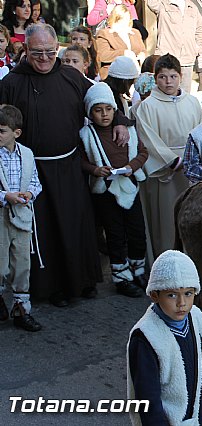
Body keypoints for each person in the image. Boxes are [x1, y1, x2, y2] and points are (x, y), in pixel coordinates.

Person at [0, 23, 132, 306]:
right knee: (43, 231)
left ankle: (81, 281)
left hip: (70, 164)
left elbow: (102, 102)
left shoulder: (72, 76)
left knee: (76, 225)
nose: (45, 58)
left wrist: (120, 122)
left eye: (50, 51)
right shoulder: (11, 83)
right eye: (38, 52)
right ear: (26, 49)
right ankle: (52, 288)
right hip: (32, 171)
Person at [127, 250, 202, 425]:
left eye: (188, 293)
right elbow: (148, 402)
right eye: (172, 295)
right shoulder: (146, 337)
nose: (182, 303)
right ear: (154, 295)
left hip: (200, 419)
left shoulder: (197, 318)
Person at [80, 82, 148, 298]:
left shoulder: (127, 129)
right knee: (115, 235)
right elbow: (80, 160)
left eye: (108, 109)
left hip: (129, 186)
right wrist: (95, 169)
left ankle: (138, 270)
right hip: (106, 192)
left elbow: (143, 153)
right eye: (98, 111)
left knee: (137, 231)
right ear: (90, 112)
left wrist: (132, 167)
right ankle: (121, 277)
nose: (104, 115)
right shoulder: (86, 134)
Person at [135, 54, 202, 258]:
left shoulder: (191, 102)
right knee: (165, 221)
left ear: (180, 76)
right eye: (163, 77)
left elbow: (200, 132)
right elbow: (147, 137)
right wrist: (172, 160)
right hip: (164, 172)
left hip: (190, 169)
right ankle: (165, 261)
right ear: (155, 78)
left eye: (173, 76)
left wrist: (194, 158)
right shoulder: (148, 106)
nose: (168, 82)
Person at [0, 104, 42, 332]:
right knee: (0, 263)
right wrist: (5, 195)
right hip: (1, 214)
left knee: (22, 262)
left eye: (1, 131)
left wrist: (30, 193)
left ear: (16, 133)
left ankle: (21, 308)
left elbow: (35, 181)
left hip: (23, 215)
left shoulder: (26, 154)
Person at [146, 0, 202, 93]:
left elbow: (200, 29)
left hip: (187, 59)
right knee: (164, 94)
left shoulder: (192, 7)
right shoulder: (163, 4)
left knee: (184, 96)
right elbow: (150, 3)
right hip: (167, 58)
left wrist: (198, 48)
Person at [95, 4, 145, 80]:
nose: (125, 22)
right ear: (115, 19)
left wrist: (142, 55)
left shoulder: (135, 32)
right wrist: (123, 53)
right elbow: (102, 55)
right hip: (114, 77)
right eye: (121, 19)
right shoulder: (105, 34)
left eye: (127, 19)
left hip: (135, 75)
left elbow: (143, 50)